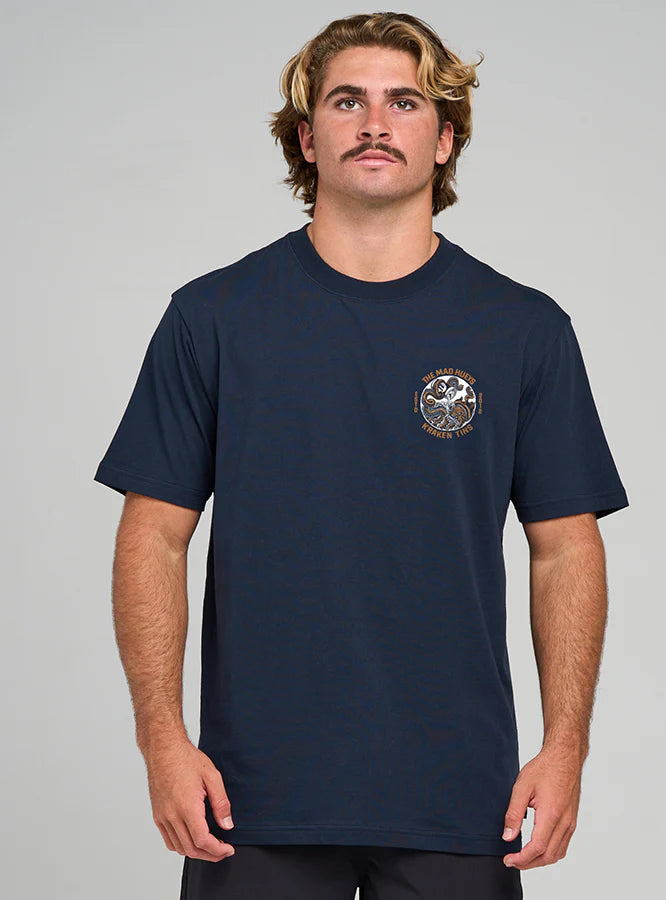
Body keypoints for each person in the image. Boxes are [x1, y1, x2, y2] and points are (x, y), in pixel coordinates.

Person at [93, 11, 629, 900]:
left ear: (444, 139)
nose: (375, 123)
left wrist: (565, 746)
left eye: (404, 102)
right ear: (307, 138)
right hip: (252, 801)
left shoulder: (523, 330)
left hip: (461, 800)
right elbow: (152, 534)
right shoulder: (214, 318)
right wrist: (161, 739)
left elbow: (565, 548)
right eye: (347, 102)